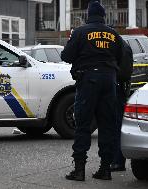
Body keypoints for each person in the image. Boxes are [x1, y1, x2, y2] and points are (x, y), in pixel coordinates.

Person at [61, 1, 123, 181]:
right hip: (109, 81)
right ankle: (105, 168)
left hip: (88, 80)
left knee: (83, 124)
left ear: (89, 15)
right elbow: (121, 56)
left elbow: (66, 56)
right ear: (103, 16)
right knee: (107, 124)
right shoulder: (113, 34)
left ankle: (79, 169)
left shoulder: (81, 32)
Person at [111, 40, 133, 172]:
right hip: (116, 88)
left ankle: (117, 161)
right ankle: (115, 160)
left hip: (117, 89)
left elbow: (124, 73)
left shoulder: (121, 45)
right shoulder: (122, 44)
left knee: (116, 125)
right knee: (114, 124)